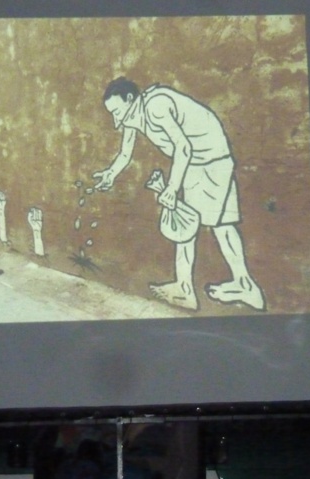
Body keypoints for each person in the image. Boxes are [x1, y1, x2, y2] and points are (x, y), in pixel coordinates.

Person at [93, 77, 265, 311]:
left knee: (196, 227)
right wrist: (110, 174)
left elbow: (183, 147)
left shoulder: (156, 105)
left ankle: (196, 289)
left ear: (130, 99)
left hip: (207, 161)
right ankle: (237, 285)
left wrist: (172, 188)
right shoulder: (133, 115)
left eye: (116, 111)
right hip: (204, 161)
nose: (116, 121)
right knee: (211, 226)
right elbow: (125, 153)